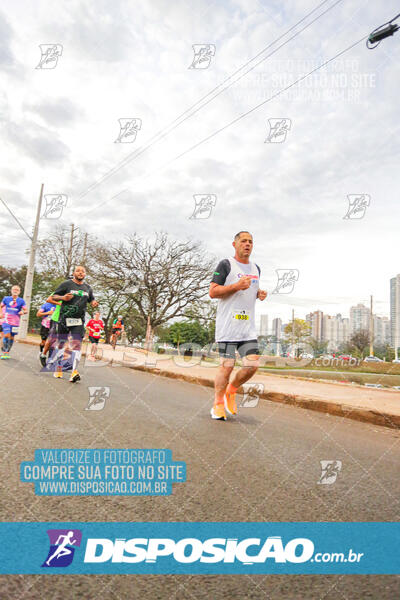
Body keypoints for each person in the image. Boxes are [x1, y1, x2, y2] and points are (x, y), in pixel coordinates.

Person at [209, 231, 267, 420]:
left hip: (247, 329)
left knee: (252, 365)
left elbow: (251, 290)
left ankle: (231, 390)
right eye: (243, 241)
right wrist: (236, 286)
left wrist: (259, 294)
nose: (247, 244)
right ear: (234, 244)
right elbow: (213, 292)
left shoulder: (256, 268)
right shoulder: (226, 265)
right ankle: (217, 404)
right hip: (228, 327)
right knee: (227, 366)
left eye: (250, 241)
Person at [47, 266, 98, 381]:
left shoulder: (88, 288)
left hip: (79, 321)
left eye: (83, 271)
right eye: (78, 271)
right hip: (64, 319)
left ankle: (74, 372)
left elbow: (91, 299)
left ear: (85, 274)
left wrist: (94, 302)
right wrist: (63, 298)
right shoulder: (66, 284)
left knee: (77, 345)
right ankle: (58, 368)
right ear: (74, 273)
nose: (80, 273)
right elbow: (53, 296)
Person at [0, 285, 27, 359]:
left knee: (12, 338)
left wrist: (23, 312)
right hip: (6, 321)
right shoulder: (6, 298)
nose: (15, 291)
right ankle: (5, 352)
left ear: (19, 292)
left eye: (17, 290)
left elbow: (26, 310)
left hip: (15, 322)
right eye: (14, 289)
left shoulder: (21, 301)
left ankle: (7, 351)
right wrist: (1, 313)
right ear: (11, 291)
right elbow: (1, 306)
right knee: (6, 335)